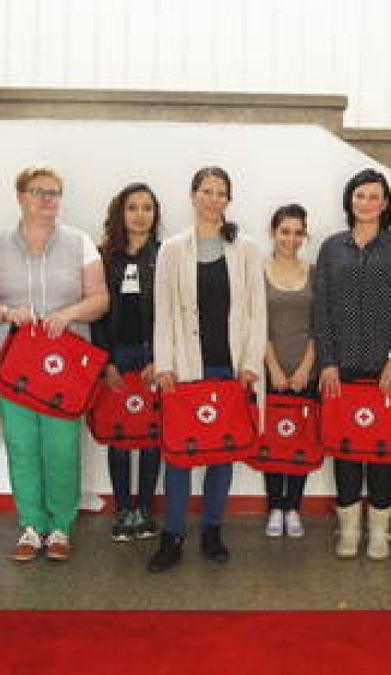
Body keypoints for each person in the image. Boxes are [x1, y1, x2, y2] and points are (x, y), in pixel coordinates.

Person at [0, 166, 109, 563]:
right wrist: (7, 312)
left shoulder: (80, 243)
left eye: (55, 192)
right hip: (12, 367)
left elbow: (100, 299)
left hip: (65, 372)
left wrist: (69, 313)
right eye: (38, 191)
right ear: (20, 196)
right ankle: (31, 526)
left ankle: (61, 526)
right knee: (22, 447)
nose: (47, 199)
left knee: (62, 447)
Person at [147, 166, 266, 572]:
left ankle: (213, 530)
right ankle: (173, 535)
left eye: (221, 192)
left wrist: (250, 363)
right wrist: (164, 364)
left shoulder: (245, 247)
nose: (213, 198)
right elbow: (162, 312)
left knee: (222, 453)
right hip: (184, 368)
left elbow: (256, 310)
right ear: (193, 195)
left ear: (228, 199)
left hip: (229, 366)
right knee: (179, 456)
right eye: (206, 191)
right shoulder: (172, 249)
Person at [314, 169, 391, 561]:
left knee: (382, 453)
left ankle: (378, 531)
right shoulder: (331, 248)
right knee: (345, 451)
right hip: (341, 368)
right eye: (360, 196)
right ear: (350, 200)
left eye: (374, 196)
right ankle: (348, 530)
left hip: (385, 370)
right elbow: (321, 311)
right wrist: (326, 362)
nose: (366, 203)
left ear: (386, 203)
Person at [91, 183, 163, 543]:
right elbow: (97, 315)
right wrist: (105, 361)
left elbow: (170, 313)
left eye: (147, 208)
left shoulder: (164, 256)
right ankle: (123, 508)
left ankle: (146, 508)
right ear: (121, 213)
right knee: (119, 434)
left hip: (152, 355)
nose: (140, 214)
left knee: (151, 435)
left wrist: (161, 358)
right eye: (132, 207)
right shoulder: (104, 258)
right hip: (117, 353)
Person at [262, 204, 316, 539]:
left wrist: (305, 369)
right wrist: (275, 370)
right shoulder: (258, 271)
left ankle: (293, 507)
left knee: (300, 441)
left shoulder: (314, 271)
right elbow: (258, 326)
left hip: (305, 373)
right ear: (274, 232)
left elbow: (320, 326)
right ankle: (275, 508)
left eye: (298, 232)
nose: (291, 239)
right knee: (272, 443)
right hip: (272, 372)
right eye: (285, 231)